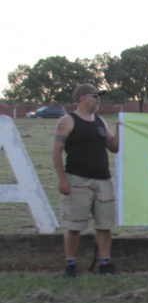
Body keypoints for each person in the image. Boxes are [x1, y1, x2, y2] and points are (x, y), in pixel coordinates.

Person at [53, 83, 120, 277]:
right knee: (74, 226)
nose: (99, 99)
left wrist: (119, 130)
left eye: (99, 96)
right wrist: (62, 179)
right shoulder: (68, 120)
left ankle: (105, 264)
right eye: (95, 96)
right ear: (83, 98)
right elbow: (56, 150)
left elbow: (113, 147)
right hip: (77, 179)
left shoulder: (100, 121)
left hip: (103, 180)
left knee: (105, 225)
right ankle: (70, 265)